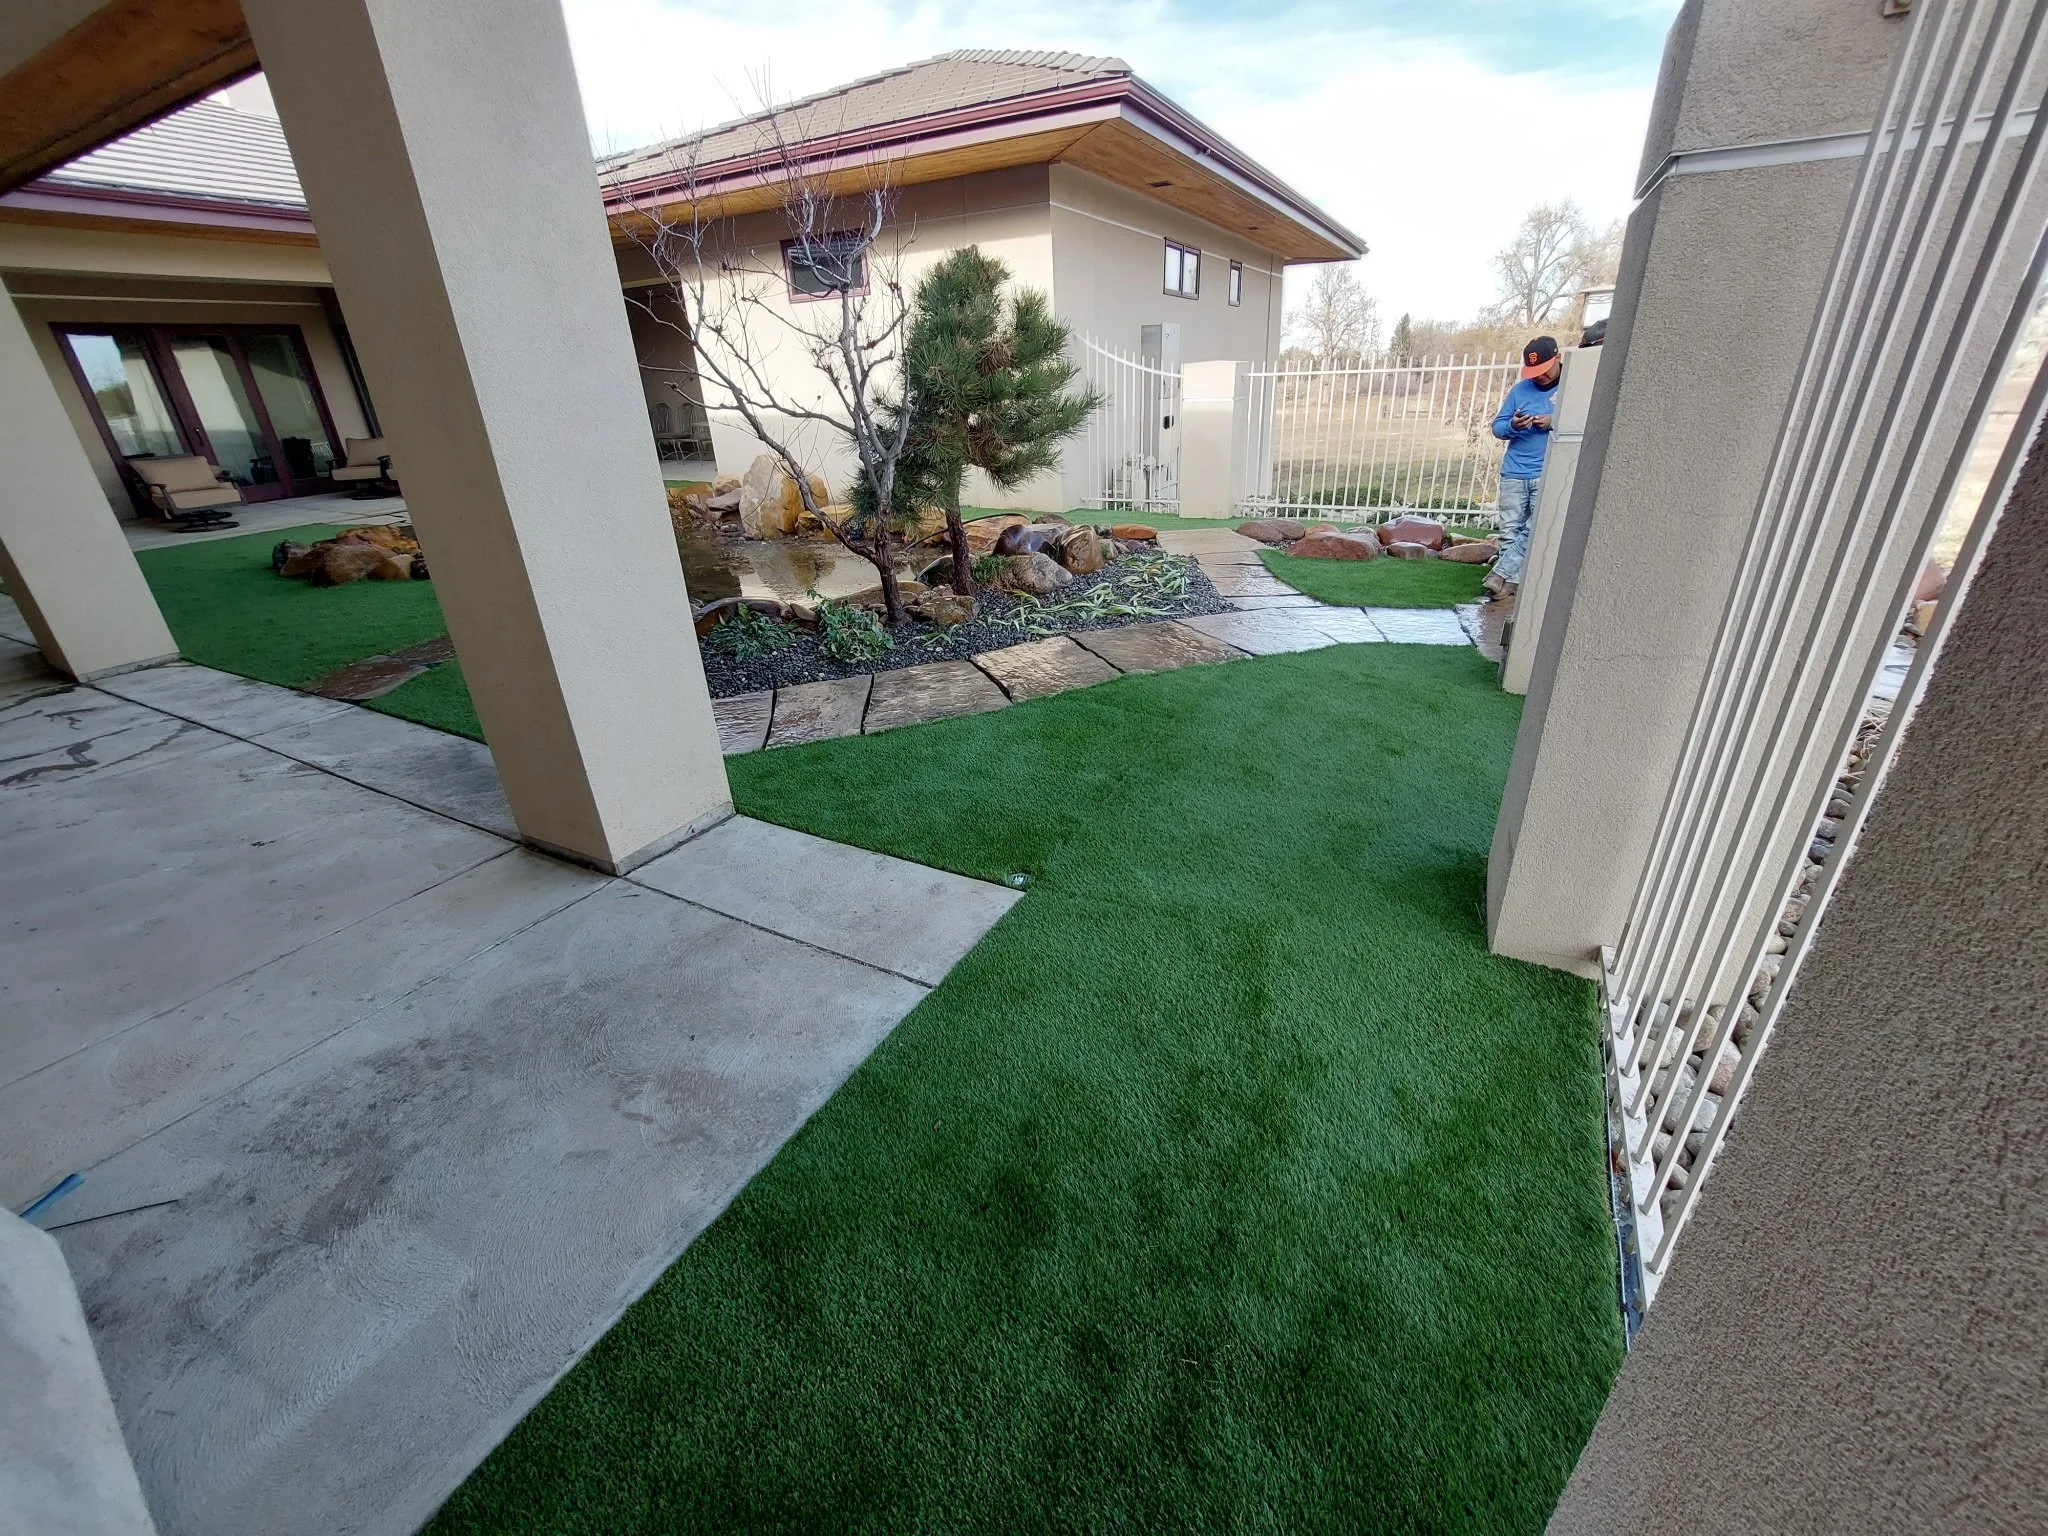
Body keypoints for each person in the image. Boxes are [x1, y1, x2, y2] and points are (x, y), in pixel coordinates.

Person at [1487, 334, 1563, 600]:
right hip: (1514, 472)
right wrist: (1514, 427)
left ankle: (1500, 576)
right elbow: (1498, 427)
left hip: (1546, 470)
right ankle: (1511, 585)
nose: (1539, 377)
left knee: (1535, 527)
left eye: (1544, 370)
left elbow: (1582, 424)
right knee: (1510, 531)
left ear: (1558, 358)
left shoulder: (1572, 388)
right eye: (1534, 372)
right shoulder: (1520, 390)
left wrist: (1554, 421)